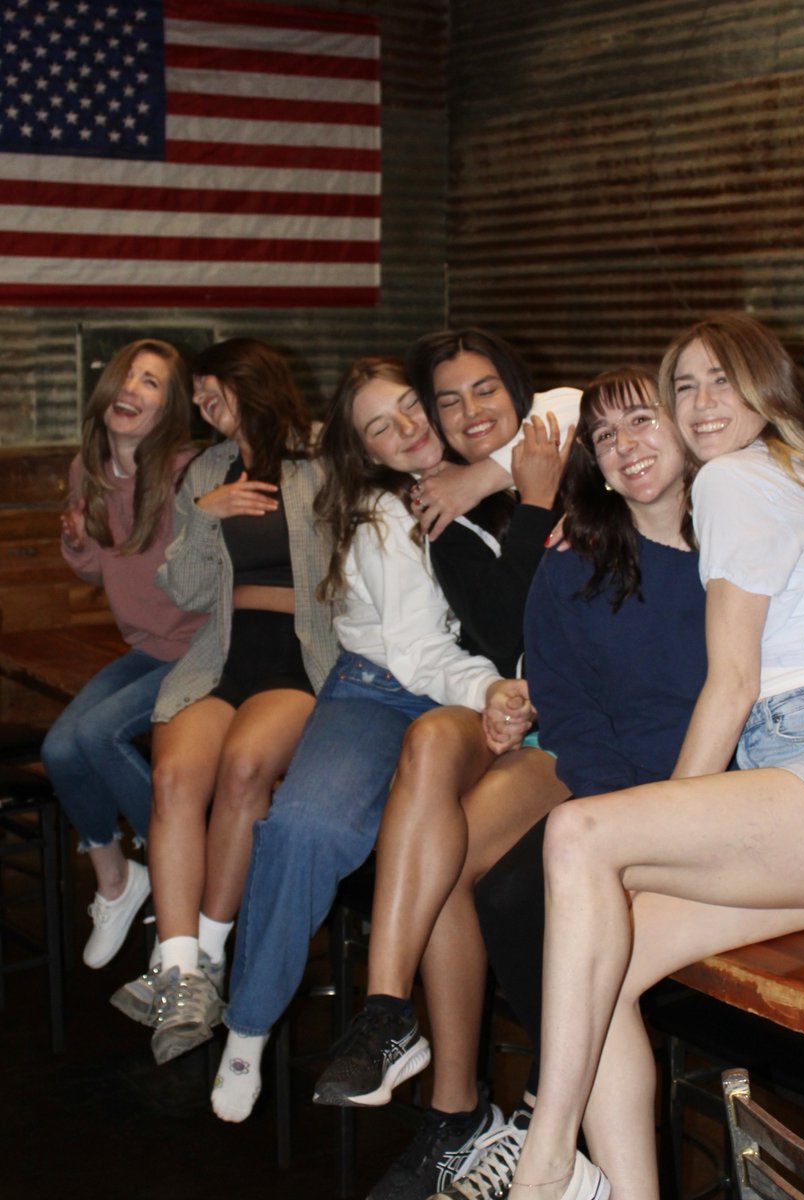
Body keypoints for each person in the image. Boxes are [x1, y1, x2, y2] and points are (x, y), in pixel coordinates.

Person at [442, 357, 804, 1200]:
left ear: (688, 428)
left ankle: (544, 1151)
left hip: (785, 799)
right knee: (566, 937)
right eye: (605, 435)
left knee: (561, 872)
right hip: (655, 801)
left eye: (644, 420)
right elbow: (570, 714)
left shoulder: (745, 504)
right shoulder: (579, 560)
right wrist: (642, 815)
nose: (626, 444)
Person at [208, 356, 530, 1128]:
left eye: (414, 405)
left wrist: (489, 473)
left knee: (469, 856)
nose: (409, 428)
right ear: (369, 454)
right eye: (381, 427)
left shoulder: (503, 473)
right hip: (382, 687)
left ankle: (463, 1100)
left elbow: (574, 410)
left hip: (476, 701)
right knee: (302, 827)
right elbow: (420, 655)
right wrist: (490, 690)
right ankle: (249, 1028)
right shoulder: (386, 516)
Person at [313, 329, 577, 1200]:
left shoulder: (571, 447)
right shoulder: (439, 518)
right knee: (429, 753)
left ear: (519, 387)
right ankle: (391, 1020)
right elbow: (503, 631)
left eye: (484, 391)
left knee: (445, 864)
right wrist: (492, 489)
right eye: (449, 399)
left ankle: (461, 1113)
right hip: (521, 710)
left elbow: (595, 403)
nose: (467, 413)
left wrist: (514, 479)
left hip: (594, 724)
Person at [110, 338, 338, 1067]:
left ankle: (206, 959)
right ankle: (179, 972)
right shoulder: (207, 469)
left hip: (302, 659)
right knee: (175, 776)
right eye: (200, 395)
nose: (204, 405)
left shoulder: (324, 458)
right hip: (224, 656)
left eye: (216, 392)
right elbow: (186, 591)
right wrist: (206, 514)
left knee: (244, 770)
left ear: (256, 385)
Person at [41, 338, 204, 970]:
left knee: (101, 736)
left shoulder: (188, 471)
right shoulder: (89, 471)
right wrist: (79, 544)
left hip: (200, 649)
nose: (134, 389)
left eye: (153, 383)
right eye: (128, 377)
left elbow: (195, 576)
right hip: (146, 648)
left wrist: (199, 518)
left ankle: (180, 870)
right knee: (61, 746)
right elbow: (97, 570)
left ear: (170, 409)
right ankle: (116, 880)